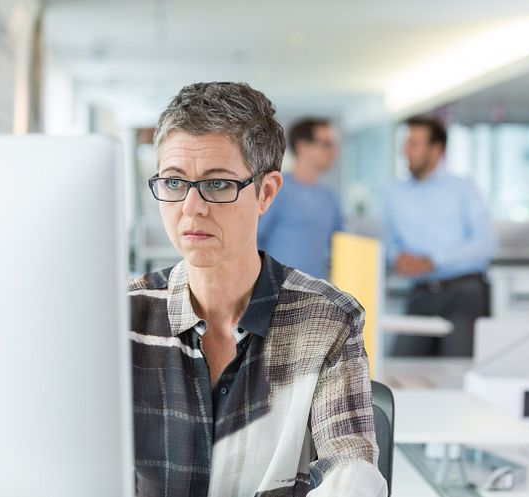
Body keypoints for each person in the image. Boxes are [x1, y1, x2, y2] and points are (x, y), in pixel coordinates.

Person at [129, 82, 386, 497]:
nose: (191, 207)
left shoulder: (328, 320)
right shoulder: (121, 315)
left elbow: (350, 469)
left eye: (217, 185)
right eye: (174, 183)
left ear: (265, 193)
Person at [384, 117, 496, 357]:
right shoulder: (394, 193)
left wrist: (435, 260)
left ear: (436, 150)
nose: (405, 150)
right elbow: (390, 241)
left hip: (463, 292)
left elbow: (485, 244)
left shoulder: (464, 188)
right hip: (420, 292)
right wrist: (397, 257)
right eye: (406, 143)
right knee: (400, 367)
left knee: (456, 369)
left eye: (414, 144)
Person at [257, 117, 342, 280]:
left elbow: (341, 245)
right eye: (327, 144)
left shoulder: (330, 198)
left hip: (316, 294)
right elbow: (254, 240)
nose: (334, 152)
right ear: (303, 147)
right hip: (277, 291)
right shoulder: (276, 191)